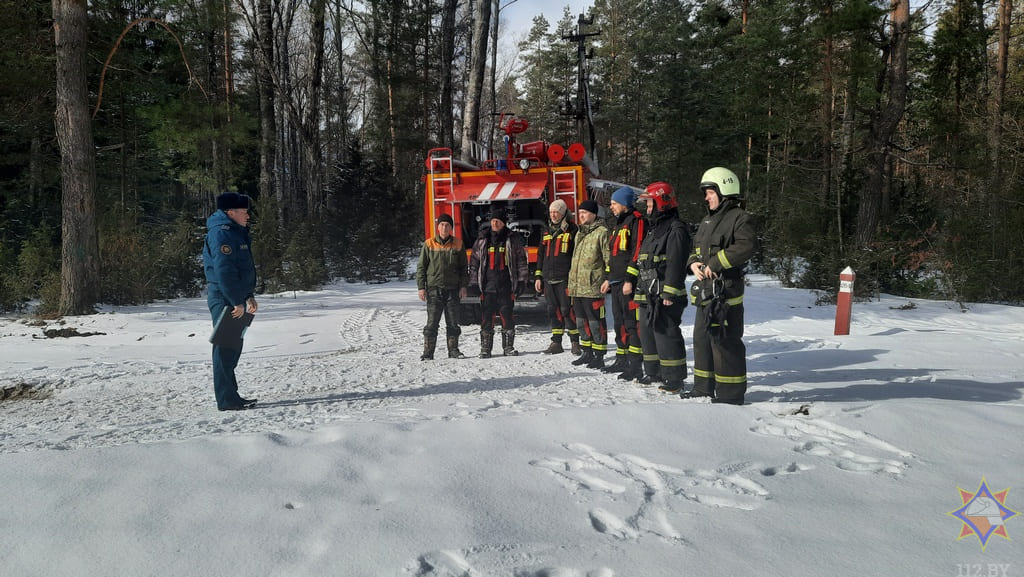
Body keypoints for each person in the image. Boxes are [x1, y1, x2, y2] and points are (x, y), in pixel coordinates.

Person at [686, 167, 758, 404]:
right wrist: (693, 264)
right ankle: (703, 387)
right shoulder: (707, 220)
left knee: (725, 341)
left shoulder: (739, 217)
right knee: (701, 339)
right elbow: (696, 248)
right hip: (706, 293)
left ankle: (730, 394)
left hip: (726, 294)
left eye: (709, 192)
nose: (706, 198)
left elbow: (746, 246)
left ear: (723, 190)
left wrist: (716, 263)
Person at [624, 182, 691, 392]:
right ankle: (653, 372)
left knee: (666, 335)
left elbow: (676, 262)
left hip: (665, 294)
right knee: (647, 334)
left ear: (662, 203)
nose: (648, 208)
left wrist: (669, 290)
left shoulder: (676, 229)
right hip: (647, 292)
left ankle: (674, 379)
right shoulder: (654, 230)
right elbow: (642, 259)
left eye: (651, 204)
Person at [203, 192, 259, 411]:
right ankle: (227, 400)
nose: (247, 216)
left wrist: (247, 295)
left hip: (235, 296)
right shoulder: (222, 234)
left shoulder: (236, 233)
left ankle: (231, 396)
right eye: (244, 212)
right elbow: (224, 270)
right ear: (230, 212)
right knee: (225, 346)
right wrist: (237, 300)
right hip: (225, 296)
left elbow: (240, 268)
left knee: (233, 345)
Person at [469, 207, 528, 357]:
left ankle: (508, 347)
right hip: (487, 286)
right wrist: (474, 283)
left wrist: (522, 281)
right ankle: (485, 349)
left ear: (504, 223)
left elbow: (521, 261)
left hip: (506, 285)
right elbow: (474, 263)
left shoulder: (512, 239)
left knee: (507, 317)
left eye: (498, 221)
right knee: (486, 318)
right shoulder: (482, 239)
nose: (495, 223)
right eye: (493, 220)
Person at [601, 187, 646, 380]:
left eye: (614, 203)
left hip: (629, 283)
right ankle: (621, 357)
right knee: (618, 322)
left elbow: (637, 251)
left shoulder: (637, 220)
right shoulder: (618, 224)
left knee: (631, 324)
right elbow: (613, 256)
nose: (611, 207)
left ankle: (635, 364)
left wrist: (629, 279)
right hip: (616, 282)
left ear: (624, 203)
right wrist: (608, 278)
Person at [416, 213, 470, 360]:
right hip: (434, 289)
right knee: (431, 324)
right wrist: (421, 287)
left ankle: (453, 350)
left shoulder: (458, 244)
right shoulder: (429, 244)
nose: (444, 227)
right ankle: (428, 353)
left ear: (451, 227)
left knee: (453, 323)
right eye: (442, 225)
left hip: (453, 290)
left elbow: (464, 268)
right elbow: (421, 267)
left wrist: (463, 286)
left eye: (447, 225)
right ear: (437, 227)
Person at [534, 199, 581, 355]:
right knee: (552, 310)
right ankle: (556, 342)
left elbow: (576, 254)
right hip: (548, 278)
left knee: (568, 310)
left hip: (565, 278)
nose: (553, 215)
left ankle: (575, 341)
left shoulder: (573, 230)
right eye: (551, 212)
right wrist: (538, 276)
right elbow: (541, 254)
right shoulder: (546, 231)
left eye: (556, 212)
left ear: (563, 213)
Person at [568, 199, 611, 369]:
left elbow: (608, 258)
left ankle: (599, 354)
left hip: (593, 286)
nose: (581, 216)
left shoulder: (602, 232)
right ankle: (587, 351)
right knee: (580, 321)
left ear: (594, 214)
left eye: (584, 212)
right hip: (577, 286)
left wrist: (608, 278)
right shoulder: (579, 233)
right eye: (580, 213)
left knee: (595, 322)